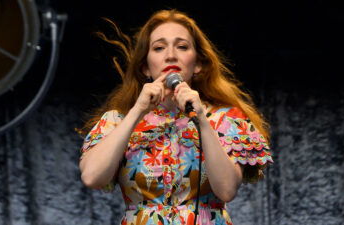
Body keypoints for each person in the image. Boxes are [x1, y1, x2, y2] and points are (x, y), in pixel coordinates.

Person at [78, 9, 273, 225]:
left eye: (182, 47)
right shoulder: (118, 120)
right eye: (159, 48)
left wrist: (201, 119)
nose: (170, 55)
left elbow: (227, 190)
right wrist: (137, 111)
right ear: (145, 67)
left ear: (198, 64)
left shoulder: (224, 118)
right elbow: (92, 177)